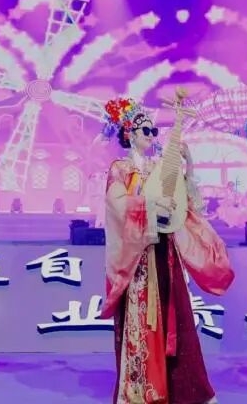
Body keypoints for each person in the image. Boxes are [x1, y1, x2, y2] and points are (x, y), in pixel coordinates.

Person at [99, 96, 234, 403]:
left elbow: (187, 202)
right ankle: (142, 388)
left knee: (176, 319)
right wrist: (150, 204)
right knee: (143, 321)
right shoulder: (120, 169)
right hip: (138, 258)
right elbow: (116, 206)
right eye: (146, 130)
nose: (152, 135)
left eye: (154, 131)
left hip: (165, 252)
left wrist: (189, 165)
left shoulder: (159, 167)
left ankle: (183, 389)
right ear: (129, 133)